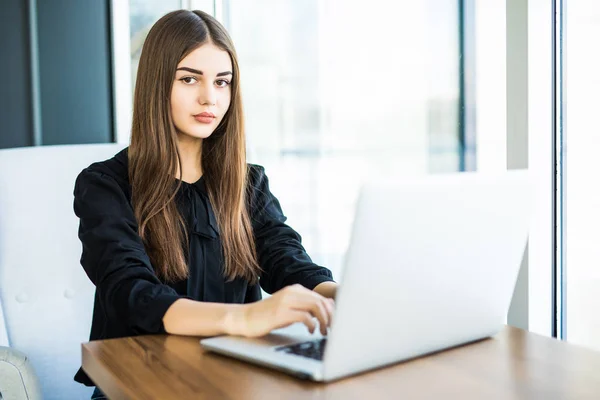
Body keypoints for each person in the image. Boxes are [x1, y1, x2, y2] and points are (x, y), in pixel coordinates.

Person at [72, 9, 338, 398]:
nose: (209, 97)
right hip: (140, 384)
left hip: (232, 380)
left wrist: (341, 296)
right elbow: (131, 294)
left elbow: (286, 259)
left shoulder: (249, 182)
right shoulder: (104, 184)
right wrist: (247, 318)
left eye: (222, 82)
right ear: (156, 83)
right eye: (189, 79)